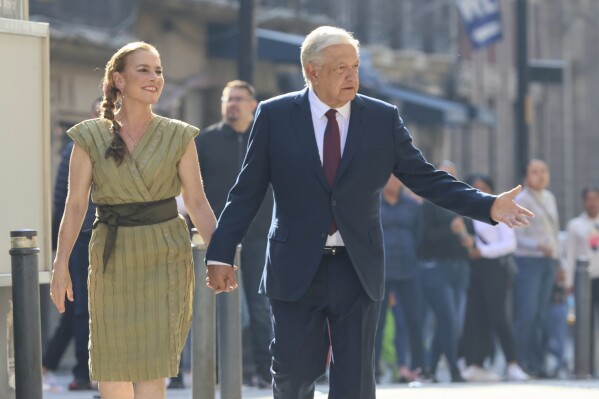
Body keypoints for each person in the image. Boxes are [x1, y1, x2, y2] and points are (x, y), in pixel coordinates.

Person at [204, 26, 533, 399]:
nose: (352, 76)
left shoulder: (382, 118)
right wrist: (220, 253)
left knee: (355, 383)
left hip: (357, 267)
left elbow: (426, 179)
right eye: (340, 68)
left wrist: (486, 205)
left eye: (355, 66)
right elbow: (246, 192)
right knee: (293, 375)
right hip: (294, 266)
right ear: (312, 71)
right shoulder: (274, 115)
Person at [49, 42, 216, 399]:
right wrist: (60, 263)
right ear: (118, 80)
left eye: (158, 70)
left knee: (153, 363)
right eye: (144, 69)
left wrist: (219, 257)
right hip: (111, 256)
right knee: (111, 360)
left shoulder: (179, 135)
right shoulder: (89, 136)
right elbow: (75, 205)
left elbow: (198, 203)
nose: (155, 77)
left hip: (165, 255)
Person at [195, 80, 273, 387]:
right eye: (228, 99)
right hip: (216, 236)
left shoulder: (266, 138)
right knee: (210, 302)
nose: (233, 105)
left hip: (258, 234)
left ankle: (263, 371)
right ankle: (211, 369)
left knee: (259, 304)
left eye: (239, 99)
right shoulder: (206, 140)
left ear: (253, 105)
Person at [42, 99, 102, 392]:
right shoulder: (76, 146)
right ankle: (83, 372)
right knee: (81, 307)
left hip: (111, 233)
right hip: (81, 235)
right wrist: (60, 248)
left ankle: (52, 365)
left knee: (85, 307)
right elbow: (62, 199)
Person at [457, 173, 529, 382]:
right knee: (476, 317)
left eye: (484, 186)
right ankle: (476, 363)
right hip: (476, 271)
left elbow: (510, 244)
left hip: (496, 270)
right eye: (475, 187)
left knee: (499, 317)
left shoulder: (498, 210)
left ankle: (512, 363)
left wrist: (483, 252)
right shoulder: (466, 212)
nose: (480, 190)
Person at [416, 160, 470, 382]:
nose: (449, 178)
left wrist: (466, 238)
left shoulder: (462, 202)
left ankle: (429, 368)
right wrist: (450, 230)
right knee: (447, 319)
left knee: (449, 320)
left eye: (453, 175)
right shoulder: (428, 204)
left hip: (459, 267)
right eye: (444, 174)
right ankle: (454, 370)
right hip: (436, 267)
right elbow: (422, 240)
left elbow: (470, 231)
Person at [374, 175, 425, 383]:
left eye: (396, 179)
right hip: (381, 271)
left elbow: (420, 234)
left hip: (408, 269)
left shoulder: (412, 206)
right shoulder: (373, 203)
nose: (392, 182)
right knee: (377, 322)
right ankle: (373, 368)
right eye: (388, 178)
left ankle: (419, 367)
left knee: (414, 319)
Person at [513, 159, 560, 378]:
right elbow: (517, 235)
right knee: (527, 313)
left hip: (548, 262)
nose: (540, 175)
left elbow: (555, 232)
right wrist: (538, 246)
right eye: (534, 172)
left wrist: (560, 261)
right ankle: (520, 361)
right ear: (526, 176)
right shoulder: (521, 199)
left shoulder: (550, 198)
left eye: (543, 171)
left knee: (542, 314)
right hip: (528, 261)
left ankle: (538, 362)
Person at [565, 184, 599, 375]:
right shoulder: (575, 225)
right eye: (589, 199)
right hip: (584, 279)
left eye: (596, 198)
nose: (592, 203)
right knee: (584, 324)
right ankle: (585, 366)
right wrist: (569, 281)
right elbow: (570, 253)